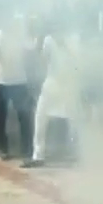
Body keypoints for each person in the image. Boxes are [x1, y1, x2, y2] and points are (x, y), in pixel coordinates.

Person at [23, 22, 81, 169]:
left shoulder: (74, 38)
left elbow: (78, 62)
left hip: (69, 85)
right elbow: (42, 60)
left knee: (73, 119)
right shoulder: (49, 40)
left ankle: (77, 151)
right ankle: (38, 155)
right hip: (52, 83)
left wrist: (64, 46)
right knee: (40, 116)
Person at [0, 13, 34, 160]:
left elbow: (31, 48)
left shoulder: (20, 35)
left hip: (19, 81)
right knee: (1, 117)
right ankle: (4, 149)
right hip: (0, 81)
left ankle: (26, 148)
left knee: (24, 116)